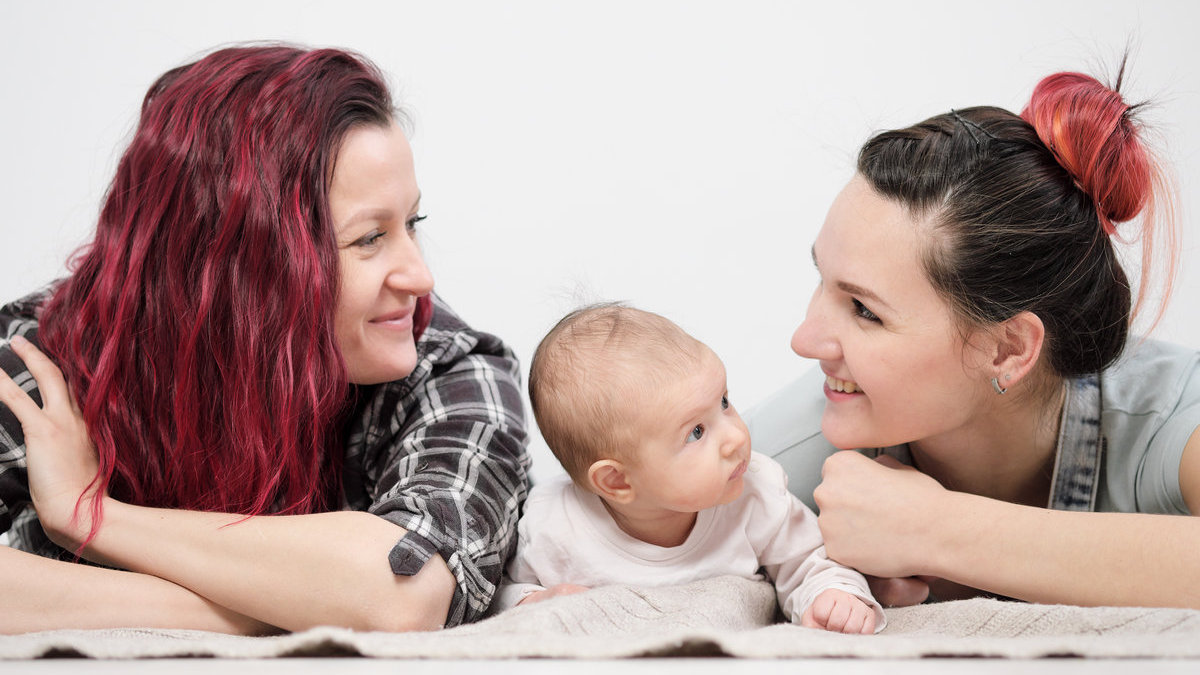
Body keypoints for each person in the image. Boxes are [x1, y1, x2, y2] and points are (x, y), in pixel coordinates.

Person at [0, 44, 530, 634]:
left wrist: (92, 517)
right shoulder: (49, 355)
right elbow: (365, 603)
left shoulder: (450, 366)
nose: (420, 277)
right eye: (368, 239)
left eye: (412, 224)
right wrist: (282, 604)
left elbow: (401, 593)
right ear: (237, 268)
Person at [746, 65, 1199, 608]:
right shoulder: (768, 468)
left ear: (1008, 349)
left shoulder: (1171, 415)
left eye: (864, 310)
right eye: (823, 282)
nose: (804, 339)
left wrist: (937, 531)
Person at [497, 304, 884, 634]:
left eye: (725, 402)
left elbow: (810, 562)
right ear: (616, 480)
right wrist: (534, 601)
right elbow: (502, 597)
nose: (734, 436)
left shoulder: (754, 494)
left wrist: (833, 596)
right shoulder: (556, 524)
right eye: (696, 432)